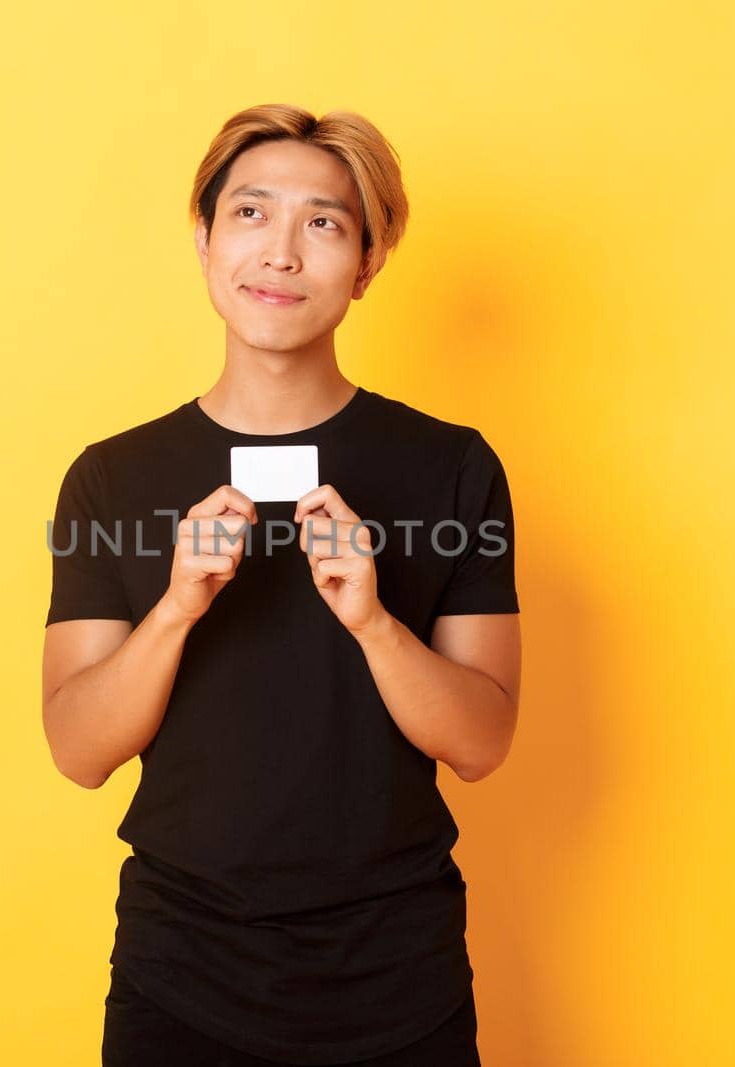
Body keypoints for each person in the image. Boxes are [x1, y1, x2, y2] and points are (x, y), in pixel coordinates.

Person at [42, 103, 521, 1067]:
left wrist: (374, 621)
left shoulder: (452, 468)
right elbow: (78, 749)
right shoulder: (111, 476)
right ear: (206, 238)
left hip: (400, 976)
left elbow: (483, 742)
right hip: (181, 975)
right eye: (252, 214)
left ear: (367, 264)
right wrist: (176, 606)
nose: (283, 254)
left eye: (325, 223)